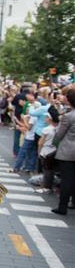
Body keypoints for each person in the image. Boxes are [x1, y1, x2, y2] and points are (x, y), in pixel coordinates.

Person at [52, 87, 75, 215]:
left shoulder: (68, 116)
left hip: (67, 150)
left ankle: (62, 206)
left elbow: (59, 134)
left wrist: (53, 145)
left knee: (67, 179)